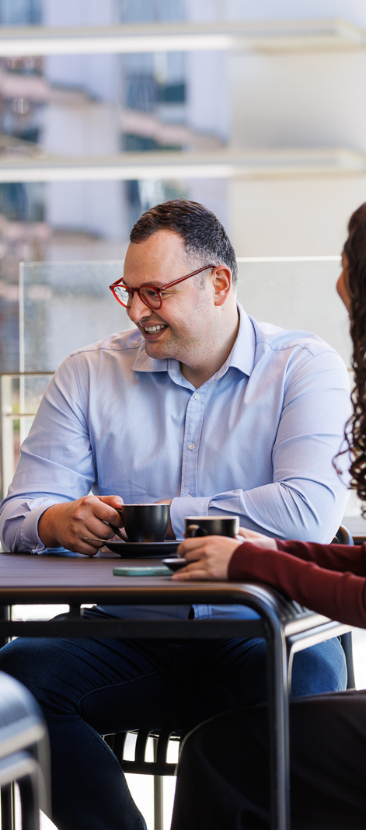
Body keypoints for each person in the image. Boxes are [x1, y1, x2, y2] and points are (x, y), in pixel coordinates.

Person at [0, 200, 351, 830]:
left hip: (262, 631)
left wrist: (160, 515)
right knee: (13, 684)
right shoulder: (88, 374)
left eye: (154, 292)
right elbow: (22, 509)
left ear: (218, 284)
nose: (135, 311)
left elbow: (307, 514)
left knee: (303, 704)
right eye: (127, 292)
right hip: (132, 630)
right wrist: (58, 522)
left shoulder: (303, 367)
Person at [169, 202, 366, 830]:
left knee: (224, 755)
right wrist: (279, 554)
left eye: (346, 268)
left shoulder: (304, 365)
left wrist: (256, 560)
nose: (338, 287)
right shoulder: (92, 370)